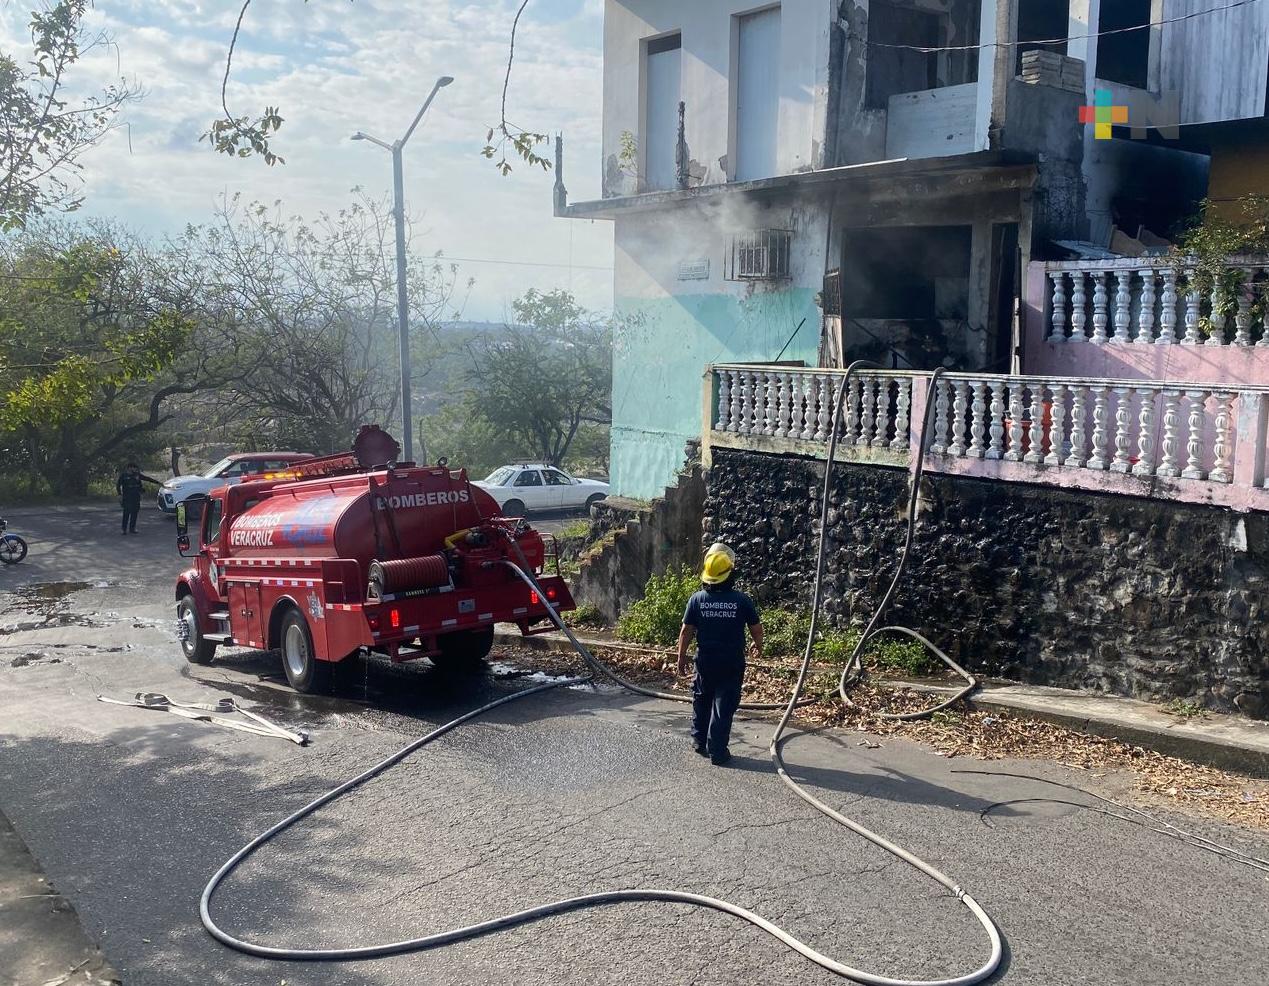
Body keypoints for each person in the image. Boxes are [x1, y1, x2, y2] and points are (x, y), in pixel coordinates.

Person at [676, 542, 763, 766]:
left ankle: (698, 740)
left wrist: (681, 656)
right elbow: (756, 628)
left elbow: (686, 630)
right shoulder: (742, 600)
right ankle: (717, 750)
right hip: (731, 661)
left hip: (705, 659)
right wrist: (758, 645)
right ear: (730, 575)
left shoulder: (697, 599)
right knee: (723, 704)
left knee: (702, 698)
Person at [116, 462, 161, 535]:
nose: (135, 470)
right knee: (126, 513)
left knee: (134, 513)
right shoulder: (124, 476)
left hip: (136, 497)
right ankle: (124, 529)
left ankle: (132, 529)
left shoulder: (137, 475)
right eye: (134, 468)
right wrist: (119, 494)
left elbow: (147, 479)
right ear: (129, 468)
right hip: (127, 497)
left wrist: (158, 483)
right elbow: (118, 485)